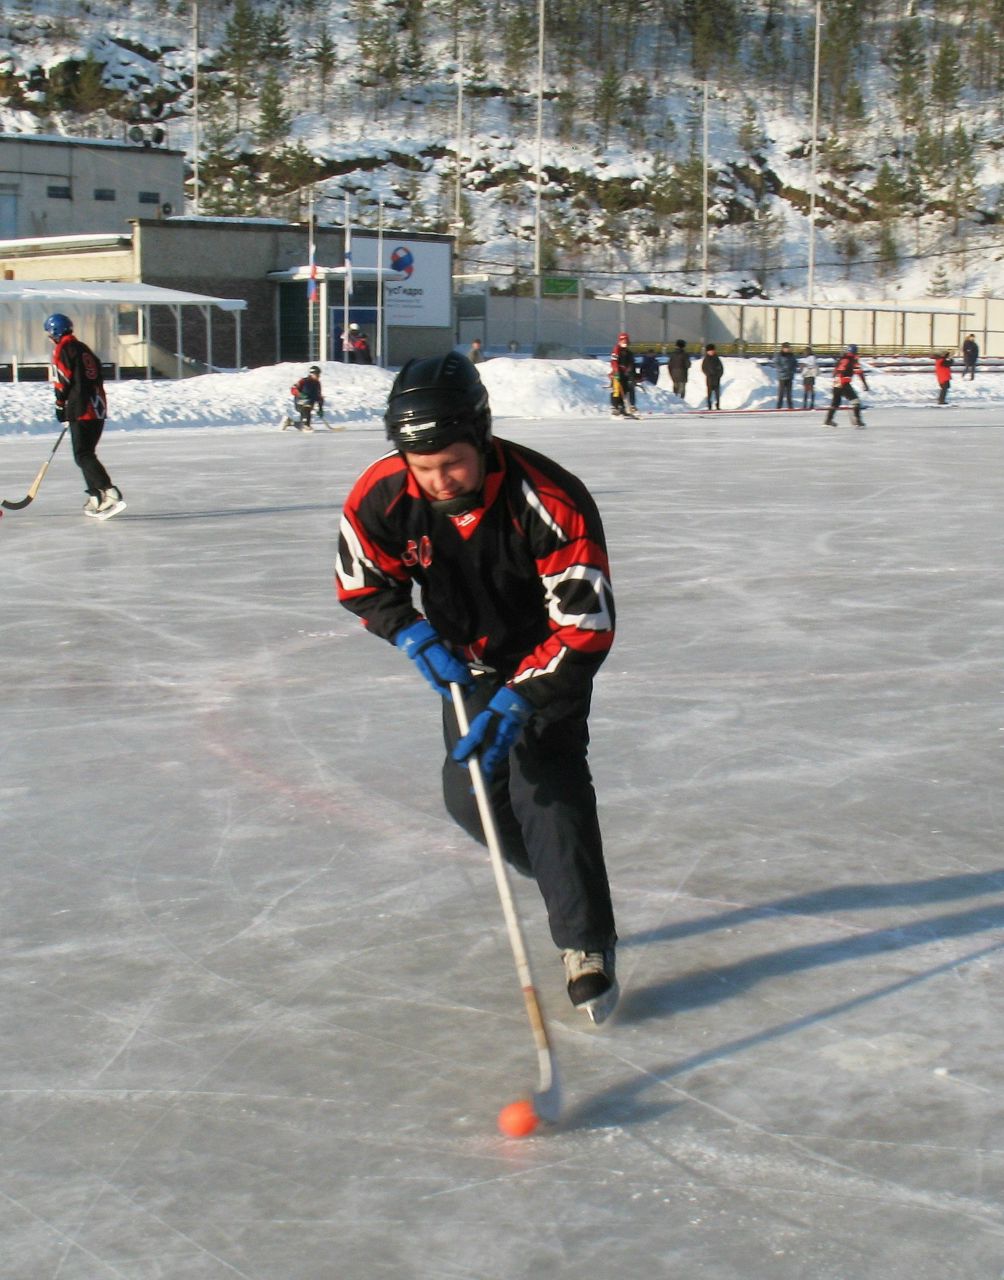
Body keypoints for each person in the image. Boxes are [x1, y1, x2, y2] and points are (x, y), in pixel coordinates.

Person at [335, 352, 619, 1024]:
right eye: (423, 468)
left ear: (483, 437)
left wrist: (524, 698)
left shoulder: (547, 498)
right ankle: (554, 876)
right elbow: (359, 579)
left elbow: (585, 623)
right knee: (471, 802)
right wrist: (407, 631)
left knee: (544, 787)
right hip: (466, 666)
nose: (438, 481)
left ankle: (586, 945)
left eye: (453, 463)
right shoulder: (384, 494)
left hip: (547, 663)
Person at [44, 312, 124, 518]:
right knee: (86, 453)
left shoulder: (64, 349)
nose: (50, 338)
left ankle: (109, 492)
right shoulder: (84, 348)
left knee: (83, 454)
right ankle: (96, 495)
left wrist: (60, 404)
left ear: (55, 332)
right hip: (98, 407)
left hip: (82, 409)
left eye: (50, 334)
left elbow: (62, 380)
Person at [823, 343, 868, 428]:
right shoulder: (853, 359)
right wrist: (864, 383)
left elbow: (835, 371)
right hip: (844, 382)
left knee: (835, 403)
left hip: (836, 382)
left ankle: (828, 420)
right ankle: (858, 421)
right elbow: (859, 372)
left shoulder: (842, 358)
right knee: (855, 401)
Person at [609, 331, 639, 418]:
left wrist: (633, 375)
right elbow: (613, 361)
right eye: (623, 341)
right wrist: (616, 371)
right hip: (617, 374)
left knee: (625, 391)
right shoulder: (616, 350)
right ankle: (615, 408)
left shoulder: (629, 352)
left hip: (625, 375)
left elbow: (632, 364)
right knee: (616, 390)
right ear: (620, 341)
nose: (624, 343)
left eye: (626, 341)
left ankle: (622, 408)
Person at [774, 341, 797, 409]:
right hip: (782, 376)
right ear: (782, 348)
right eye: (786, 348)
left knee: (789, 393)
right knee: (781, 392)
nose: (787, 349)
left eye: (788, 348)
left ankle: (790, 406)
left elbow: (794, 363)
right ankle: (779, 406)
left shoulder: (791, 355)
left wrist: (792, 370)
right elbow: (777, 364)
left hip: (789, 376)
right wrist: (783, 369)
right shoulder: (779, 355)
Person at [701, 342, 723, 410]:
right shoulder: (706, 359)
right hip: (710, 378)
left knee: (717, 393)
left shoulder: (717, 358)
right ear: (708, 351)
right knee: (709, 393)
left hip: (716, 378)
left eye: (713, 350)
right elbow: (703, 368)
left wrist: (719, 374)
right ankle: (709, 405)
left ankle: (717, 405)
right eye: (710, 351)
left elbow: (721, 368)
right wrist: (708, 374)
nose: (712, 352)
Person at [799, 346, 819, 410]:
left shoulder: (812, 358)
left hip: (810, 375)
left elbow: (811, 365)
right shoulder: (807, 358)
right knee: (806, 390)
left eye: (805, 352)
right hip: (806, 375)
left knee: (810, 390)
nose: (804, 353)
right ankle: (806, 404)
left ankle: (811, 404)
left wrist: (804, 365)